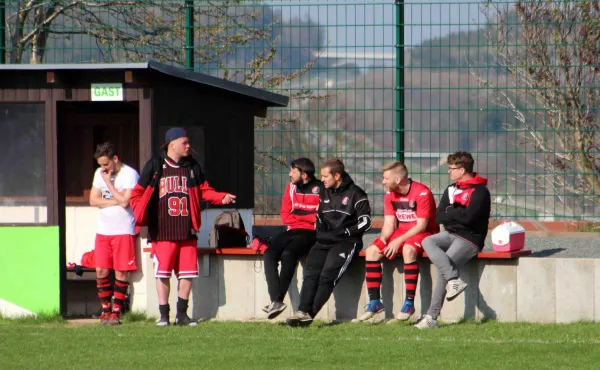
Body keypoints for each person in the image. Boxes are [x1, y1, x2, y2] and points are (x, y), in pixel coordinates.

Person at [130, 127, 236, 327]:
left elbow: (205, 191)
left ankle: (182, 315)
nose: (189, 146)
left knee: (187, 274)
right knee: (162, 273)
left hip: (187, 229)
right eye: (184, 143)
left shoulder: (193, 166)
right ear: (172, 145)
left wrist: (222, 197)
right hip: (162, 231)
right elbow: (137, 193)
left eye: (188, 142)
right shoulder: (155, 166)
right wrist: (139, 210)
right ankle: (163, 315)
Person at [286, 159, 372, 327]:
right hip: (324, 241)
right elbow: (319, 219)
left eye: (325, 176)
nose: (322, 180)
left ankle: (308, 316)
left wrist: (345, 232)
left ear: (337, 175)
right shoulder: (325, 192)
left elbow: (365, 222)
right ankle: (301, 311)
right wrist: (322, 234)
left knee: (327, 277)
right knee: (310, 274)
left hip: (346, 242)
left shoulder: (356, 193)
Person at [415, 151, 491, 329]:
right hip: (450, 234)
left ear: (462, 169)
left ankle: (431, 317)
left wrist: (452, 212)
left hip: (470, 238)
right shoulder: (450, 189)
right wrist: (456, 213)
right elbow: (439, 216)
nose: (449, 172)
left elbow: (469, 218)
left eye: (452, 168)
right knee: (428, 241)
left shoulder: (480, 191)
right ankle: (454, 280)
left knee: (444, 267)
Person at [354, 161, 437, 323]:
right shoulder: (389, 194)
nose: (383, 182)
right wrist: (383, 240)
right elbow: (389, 224)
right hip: (401, 233)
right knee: (372, 251)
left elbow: (421, 226)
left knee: (408, 250)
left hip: (424, 233)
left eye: (385, 178)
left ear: (398, 180)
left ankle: (409, 304)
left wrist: (398, 241)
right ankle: (374, 302)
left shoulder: (422, 193)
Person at [262, 158, 322, 319]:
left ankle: (277, 300)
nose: (290, 174)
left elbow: (320, 217)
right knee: (269, 254)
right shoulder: (290, 188)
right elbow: (286, 216)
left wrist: (303, 217)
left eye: (293, 171)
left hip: (312, 233)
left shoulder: (321, 189)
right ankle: (276, 300)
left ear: (304, 174)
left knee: (289, 254)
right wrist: (307, 217)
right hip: (293, 230)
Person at [89, 142, 140, 326]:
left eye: (105, 164)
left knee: (121, 271)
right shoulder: (99, 173)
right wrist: (114, 201)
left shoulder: (130, 174)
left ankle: (116, 312)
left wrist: (109, 184)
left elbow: (126, 202)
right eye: (100, 165)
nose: (103, 168)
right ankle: (105, 310)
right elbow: (93, 200)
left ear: (115, 159)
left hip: (123, 230)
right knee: (101, 270)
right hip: (103, 230)